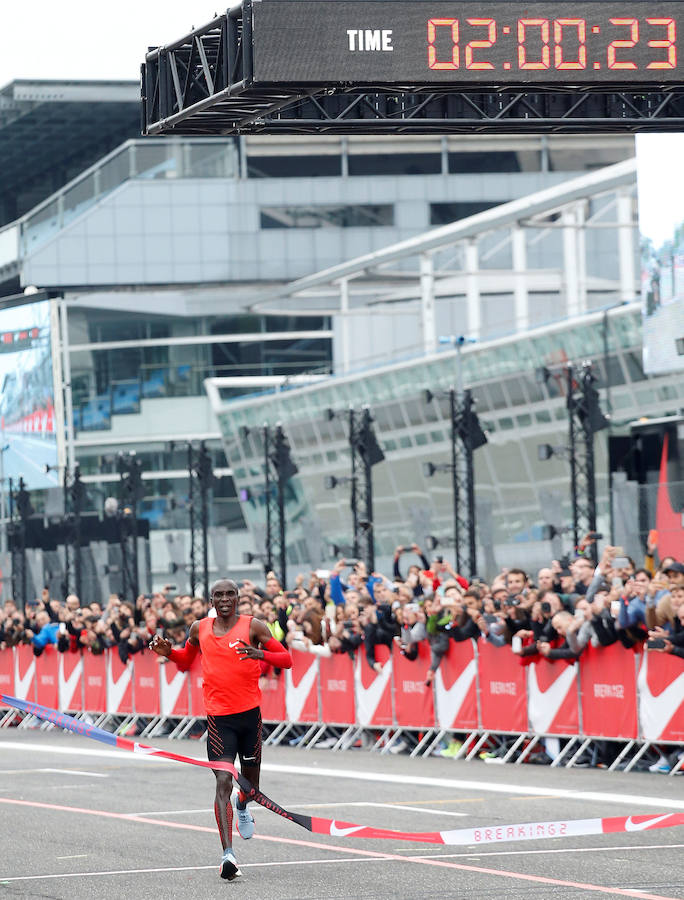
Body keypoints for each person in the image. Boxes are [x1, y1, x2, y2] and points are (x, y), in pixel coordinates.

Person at [149, 577, 292, 880]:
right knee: (223, 781)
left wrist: (260, 654)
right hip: (218, 719)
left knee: (250, 788)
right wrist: (168, 653)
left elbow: (287, 659)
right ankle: (228, 854)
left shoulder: (255, 627)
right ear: (211, 600)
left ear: (237, 598)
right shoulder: (198, 628)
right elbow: (186, 660)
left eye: (230, 594)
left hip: (249, 718)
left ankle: (243, 806)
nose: (225, 599)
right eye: (219, 595)